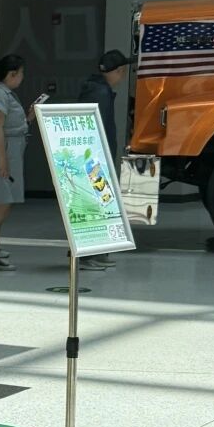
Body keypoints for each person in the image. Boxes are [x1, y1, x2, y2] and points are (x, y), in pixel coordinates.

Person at [76, 49, 131, 272]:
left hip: (95, 156)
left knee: (101, 204)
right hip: (94, 159)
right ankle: (87, 255)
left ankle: (98, 252)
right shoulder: (99, 92)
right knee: (94, 206)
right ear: (118, 71)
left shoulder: (98, 89)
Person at [0, 53, 29, 272]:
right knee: (1, 207)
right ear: (12, 74)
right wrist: (2, 161)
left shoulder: (4, 94)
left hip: (8, 153)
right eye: (20, 73)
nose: (22, 77)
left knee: (1, 206)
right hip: (0, 154)